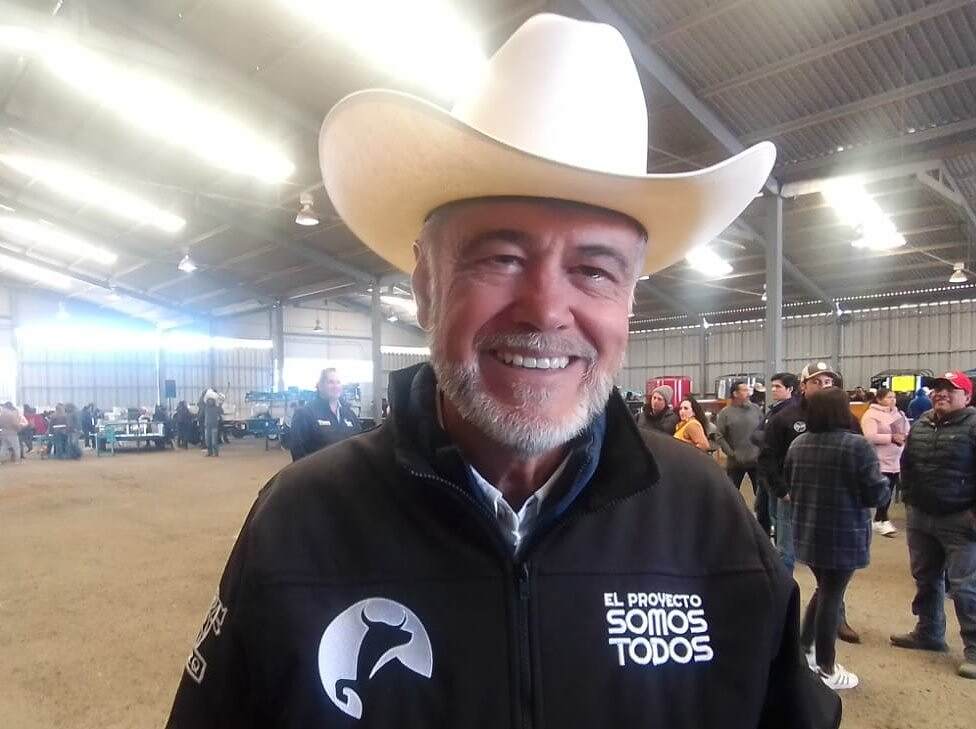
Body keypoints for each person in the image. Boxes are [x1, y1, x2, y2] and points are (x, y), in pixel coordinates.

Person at [166, 15, 839, 728]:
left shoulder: (708, 522)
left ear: (628, 302)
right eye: (501, 257)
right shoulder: (301, 524)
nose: (546, 309)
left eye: (594, 269)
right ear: (425, 284)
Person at [890, 371, 976, 679]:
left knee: (965, 586)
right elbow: (907, 463)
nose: (941, 394)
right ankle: (929, 632)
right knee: (925, 578)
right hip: (921, 517)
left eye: (950, 389)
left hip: (963, 520)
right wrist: (910, 498)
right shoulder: (922, 423)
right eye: (937, 389)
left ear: (967, 396)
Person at [785, 388, 889, 691]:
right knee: (832, 596)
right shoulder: (857, 446)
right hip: (844, 533)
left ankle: (804, 649)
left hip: (808, 531)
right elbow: (876, 493)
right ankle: (826, 667)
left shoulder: (798, 444)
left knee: (825, 590)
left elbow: (790, 483)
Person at [760, 361, 862, 643]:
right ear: (803, 386)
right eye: (817, 381)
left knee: (833, 565)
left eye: (829, 382)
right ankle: (780, 614)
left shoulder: (847, 419)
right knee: (786, 556)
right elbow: (768, 458)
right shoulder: (784, 418)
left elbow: (859, 455)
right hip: (793, 501)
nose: (824, 386)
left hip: (833, 505)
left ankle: (835, 618)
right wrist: (782, 491)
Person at [752, 372, 798, 546]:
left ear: (790, 389)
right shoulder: (773, 410)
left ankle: (780, 551)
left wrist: (766, 439)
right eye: (772, 386)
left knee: (780, 519)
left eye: (778, 386)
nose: (773, 390)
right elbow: (755, 435)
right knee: (765, 512)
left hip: (779, 472)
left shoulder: (790, 413)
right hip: (767, 472)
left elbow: (780, 441)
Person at [716, 380, 766, 530]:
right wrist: (731, 453)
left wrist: (761, 449)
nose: (748, 393)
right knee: (730, 494)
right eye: (744, 390)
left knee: (761, 496)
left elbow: (764, 429)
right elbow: (719, 436)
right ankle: (730, 524)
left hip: (756, 461)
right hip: (736, 462)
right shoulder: (725, 413)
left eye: (747, 390)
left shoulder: (756, 409)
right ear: (735, 393)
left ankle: (762, 526)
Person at [860, 387, 908, 537]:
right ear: (879, 399)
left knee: (890, 489)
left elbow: (906, 429)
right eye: (888, 397)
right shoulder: (871, 415)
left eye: (893, 397)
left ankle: (881, 518)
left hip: (895, 459)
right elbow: (869, 436)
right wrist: (891, 438)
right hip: (879, 459)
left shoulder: (899, 414)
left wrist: (904, 436)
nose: (892, 400)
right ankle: (881, 519)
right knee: (882, 490)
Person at [288, 367, 362, 461]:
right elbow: (298, 452)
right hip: (319, 470)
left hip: (346, 469)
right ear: (320, 386)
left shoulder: (350, 414)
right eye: (330, 382)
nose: (335, 386)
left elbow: (358, 443)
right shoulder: (305, 414)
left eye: (338, 382)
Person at [202, 390, 222, 457]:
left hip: (214, 426)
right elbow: (201, 402)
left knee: (214, 441)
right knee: (207, 441)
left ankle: (215, 453)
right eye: (209, 400)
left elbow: (221, 411)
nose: (210, 401)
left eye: (211, 400)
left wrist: (220, 405)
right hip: (207, 425)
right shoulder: (205, 407)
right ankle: (209, 452)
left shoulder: (216, 407)